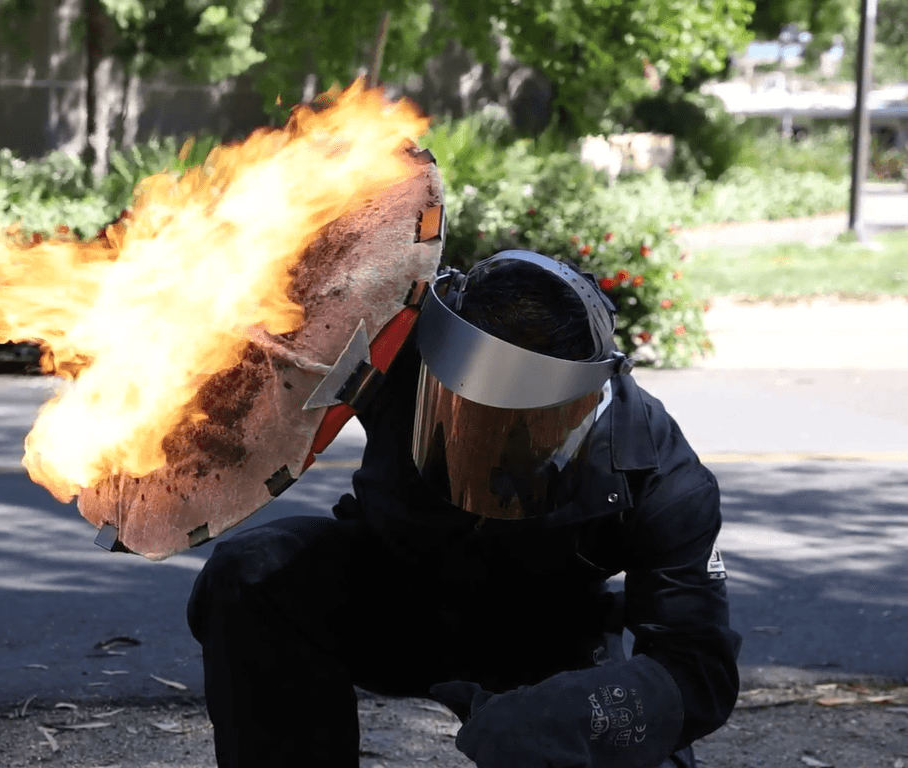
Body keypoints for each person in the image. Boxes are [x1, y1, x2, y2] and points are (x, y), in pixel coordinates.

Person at [187, 250, 742, 768]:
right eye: (468, 414)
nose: (489, 447)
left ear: (583, 403)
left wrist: (566, 714)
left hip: (544, 642)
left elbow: (699, 668)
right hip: (394, 597)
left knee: (616, 734)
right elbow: (261, 334)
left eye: (522, 430)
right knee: (253, 570)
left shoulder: (657, 470)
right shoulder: (396, 354)